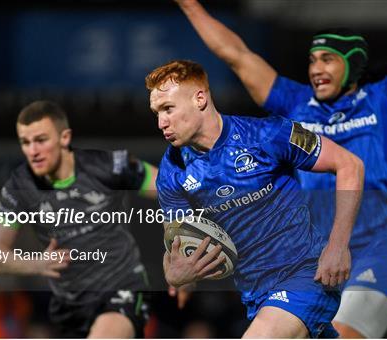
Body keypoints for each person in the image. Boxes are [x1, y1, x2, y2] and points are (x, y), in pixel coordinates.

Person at [175, 0, 387, 337]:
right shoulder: (295, 102)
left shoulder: (385, 99)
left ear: (352, 64)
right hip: (318, 260)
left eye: (328, 59)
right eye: (313, 60)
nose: (316, 68)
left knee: (343, 333)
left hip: (379, 251)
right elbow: (236, 54)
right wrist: (190, 6)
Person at [147, 59, 364, 338]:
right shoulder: (172, 171)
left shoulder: (267, 134)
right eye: (156, 112)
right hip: (256, 297)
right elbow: (177, 244)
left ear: (200, 98)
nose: (161, 122)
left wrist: (338, 246)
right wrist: (176, 276)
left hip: (308, 275)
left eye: (168, 109)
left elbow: (350, 165)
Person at [0, 100, 158, 338]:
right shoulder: (19, 187)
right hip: (71, 307)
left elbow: (167, 189)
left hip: (122, 288)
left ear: (64, 138)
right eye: (25, 143)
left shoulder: (106, 165)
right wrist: (38, 263)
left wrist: (179, 245)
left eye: (41, 140)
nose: (33, 151)